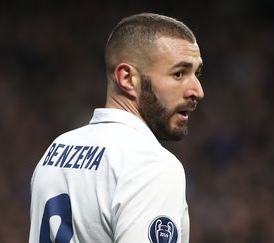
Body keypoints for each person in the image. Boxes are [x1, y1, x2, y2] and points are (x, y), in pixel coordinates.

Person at [28, 13, 204, 243]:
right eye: (179, 74)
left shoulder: (57, 150)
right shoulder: (151, 165)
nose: (197, 91)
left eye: (197, 74)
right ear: (128, 78)